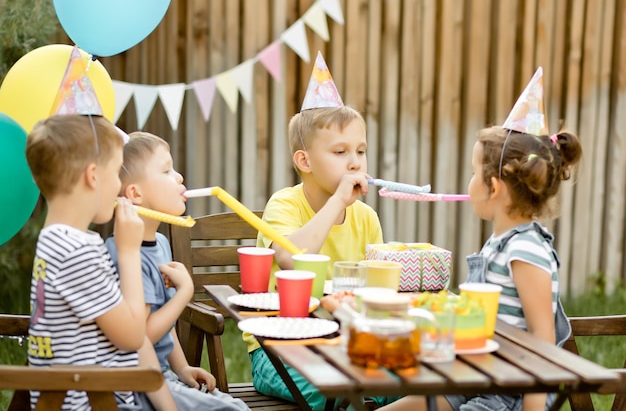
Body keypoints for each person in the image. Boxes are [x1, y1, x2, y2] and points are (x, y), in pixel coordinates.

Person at [378, 68, 583, 411]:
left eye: (474, 173)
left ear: (494, 187)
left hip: (509, 394)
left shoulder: (525, 250)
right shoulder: (500, 244)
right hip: (475, 375)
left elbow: (543, 344)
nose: (470, 183)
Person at [246, 53, 387, 410]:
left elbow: (377, 291)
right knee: (339, 392)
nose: (355, 161)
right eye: (340, 151)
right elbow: (291, 259)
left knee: (406, 387)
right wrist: (337, 202)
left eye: (360, 150)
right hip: (279, 348)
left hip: (344, 346)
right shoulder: (284, 205)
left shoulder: (367, 218)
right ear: (304, 161)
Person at [105, 131, 250, 411]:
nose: (179, 176)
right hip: (138, 387)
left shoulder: (159, 242)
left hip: (164, 376)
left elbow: (162, 321)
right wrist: (184, 293)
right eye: (166, 170)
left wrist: (182, 367)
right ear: (135, 193)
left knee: (234, 405)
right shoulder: (125, 254)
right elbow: (142, 335)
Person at [25, 114, 154, 410]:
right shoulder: (78, 251)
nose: (119, 186)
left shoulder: (52, 239)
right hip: (94, 402)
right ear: (93, 175)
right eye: (116, 173)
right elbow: (133, 336)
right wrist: (129, 250)